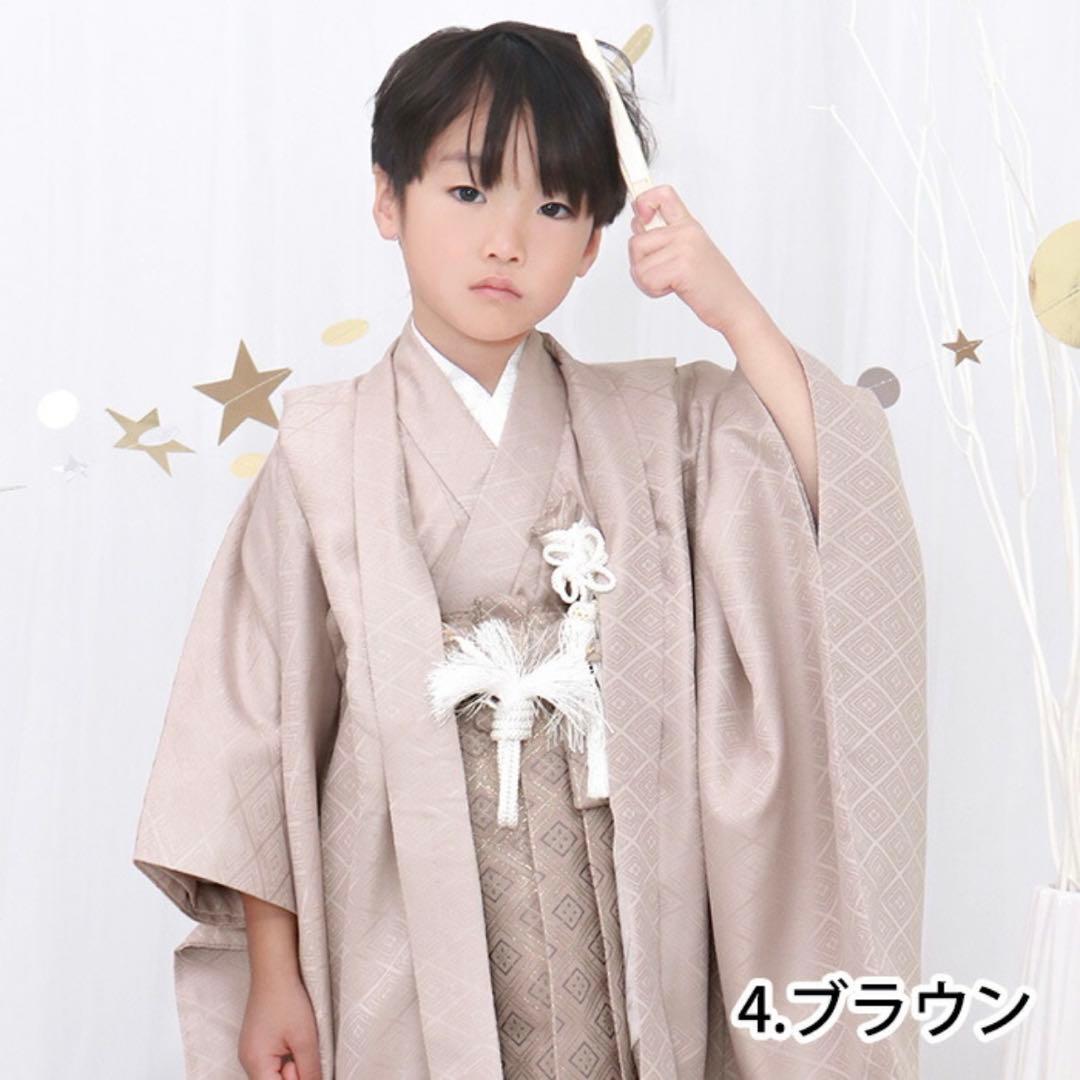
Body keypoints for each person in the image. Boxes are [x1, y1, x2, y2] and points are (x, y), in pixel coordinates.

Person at [133, 19, 927, 1080]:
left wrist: (727, 304)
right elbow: (253, 729)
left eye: (552, 206)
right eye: (468, 191)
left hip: (617, 907)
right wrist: (275, 974)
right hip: (400, 912)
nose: (506, 240)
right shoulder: (325, 449)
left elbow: (833, 485)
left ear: (594, 241)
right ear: (388, 198)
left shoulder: (655, 426)